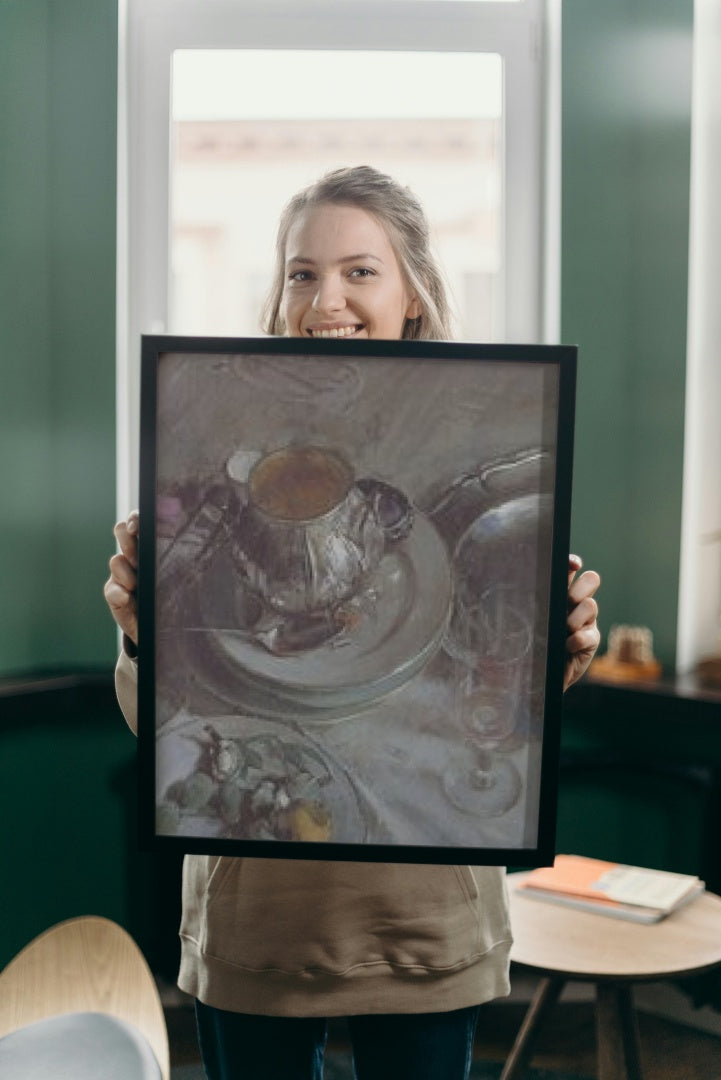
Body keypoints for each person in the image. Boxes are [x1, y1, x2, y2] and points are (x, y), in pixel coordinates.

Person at [105, 166, 601, 1080]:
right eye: (301, 272)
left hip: (422, 920)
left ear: (413, 291)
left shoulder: (490, 436)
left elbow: (484, 705)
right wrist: (145, 637)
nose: (324, 298)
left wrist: (553, 652)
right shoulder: (206, 465)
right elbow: (167, 729)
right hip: (257, 922)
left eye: (358, 271)